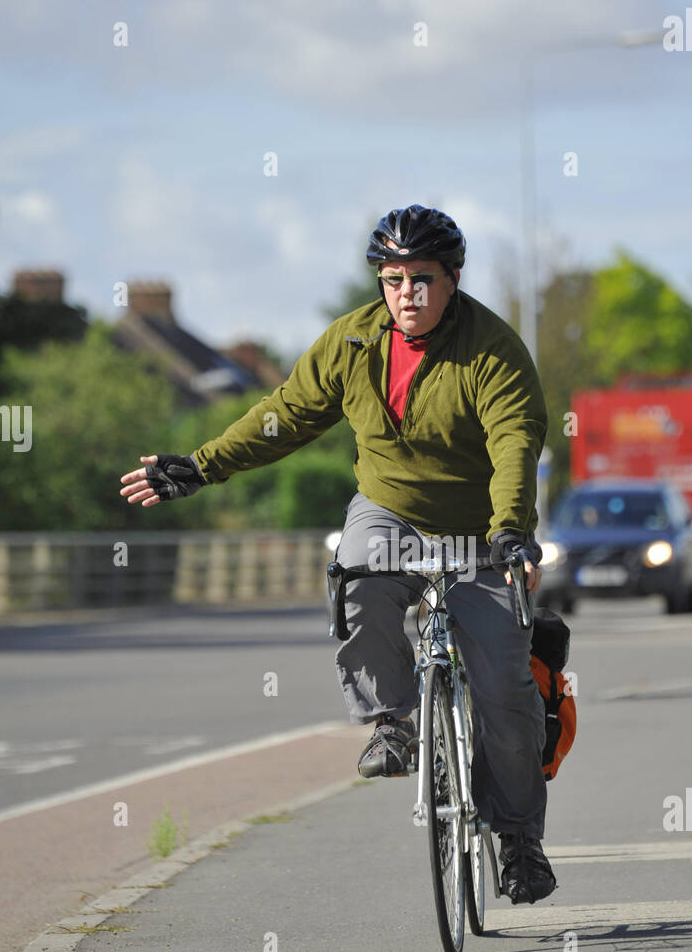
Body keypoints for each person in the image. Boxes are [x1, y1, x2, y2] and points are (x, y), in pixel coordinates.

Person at [120, 205, 556, 905]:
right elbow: (283, 415)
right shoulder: (351, 342)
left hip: (480, 527)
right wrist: (201, 466)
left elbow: (514, 440)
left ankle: (518, 840)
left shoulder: (492, 349)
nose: (406, 293)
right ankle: (394, 722)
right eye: (392, 279)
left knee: (505, 693)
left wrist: (510, 528)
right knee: (357, 577)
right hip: (388, 510)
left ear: (451, 280)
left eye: (421, 278)